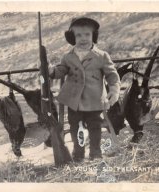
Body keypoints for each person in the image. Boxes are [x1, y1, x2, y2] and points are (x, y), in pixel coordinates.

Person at [49, 16, 120, 161]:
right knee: (76, 128)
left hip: (94, 100)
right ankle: (79, 153)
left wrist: (114, 90)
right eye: (78, 35)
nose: (83, 38)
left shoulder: (102, 56)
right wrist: (50, 71)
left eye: (87, 34)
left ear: (93, 35)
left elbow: (112, 76)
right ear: (72, 37)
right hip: (74, 101)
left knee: (95, 127)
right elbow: (59, 71)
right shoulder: (68, 57)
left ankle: (95, 153)